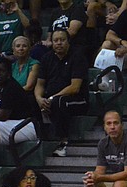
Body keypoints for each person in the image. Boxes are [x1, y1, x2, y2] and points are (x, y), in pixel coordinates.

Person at [34, 29, 88, 158]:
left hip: (78, 100)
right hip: (52, 99)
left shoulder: (77, 56)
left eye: (62, 40)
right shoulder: (46, 58)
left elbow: (75, 87)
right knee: (31, 100)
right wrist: (39, 98)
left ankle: (63, 142)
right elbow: (40, 84)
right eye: (56, 40)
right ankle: (40, 139)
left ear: (68, 41)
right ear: (51, 42)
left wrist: (52, 98)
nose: (59, 43)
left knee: (59, 102)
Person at [0, 57, 37, 168]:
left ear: (9, 72)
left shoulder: (11, 87)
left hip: (25, 125)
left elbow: (3, 115)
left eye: (2, 71)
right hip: (7, 124)